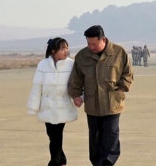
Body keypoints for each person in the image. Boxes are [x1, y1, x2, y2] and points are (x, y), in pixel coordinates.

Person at [68, 25, 134, 166]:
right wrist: (76, 95)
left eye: (94, 44)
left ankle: (107, 163)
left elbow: (128, 73)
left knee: (111, 135)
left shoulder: (119, 52)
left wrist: (122, 88)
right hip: (92, 104)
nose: (91, 47)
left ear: (103, 39)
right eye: (88, 44)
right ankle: (97, 162)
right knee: (95, 137)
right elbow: (76, 78)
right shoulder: (82, 56)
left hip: (112, 103)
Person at [27, 37, 78, 166]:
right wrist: (33, 107)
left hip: (62, 105)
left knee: (56, 134)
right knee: (51, 134)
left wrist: (79, 97)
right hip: (47, 106)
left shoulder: (71, 64)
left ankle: (54, 161)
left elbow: (76, 84)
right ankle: (62, 159)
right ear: (53, 51)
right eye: (62, 48)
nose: (66, 51)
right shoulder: (43, 64)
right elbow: (37, 86)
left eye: (67, 48)